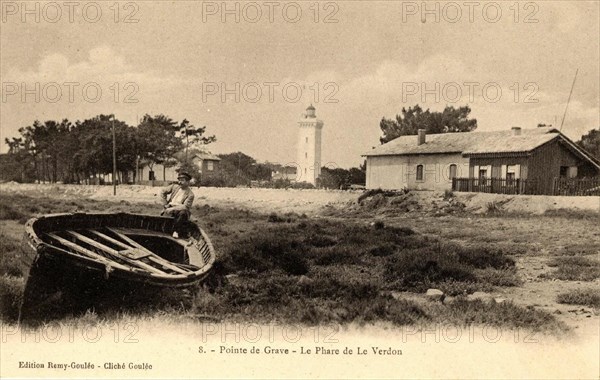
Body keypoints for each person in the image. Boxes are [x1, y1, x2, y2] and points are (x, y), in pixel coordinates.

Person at [159, 171, 195, 238]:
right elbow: (162, 191)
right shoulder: (174, 187)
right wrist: (165, 204)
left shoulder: (190, 194)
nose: (180, 182)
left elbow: (185, 206)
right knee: (162, 225)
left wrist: (172, 209)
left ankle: (176, 231)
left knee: (183, 213)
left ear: (187, 182)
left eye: (182, 180)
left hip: (179, 210)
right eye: (179, 180)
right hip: (169, 207)